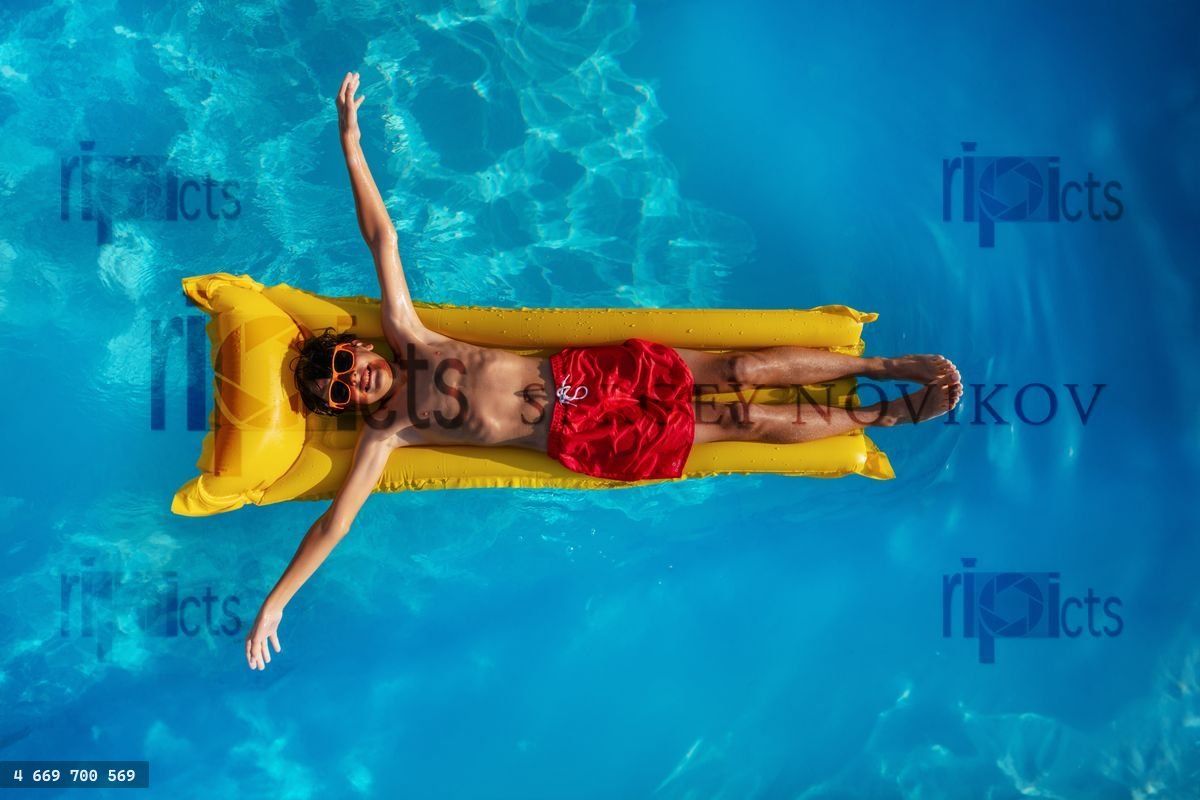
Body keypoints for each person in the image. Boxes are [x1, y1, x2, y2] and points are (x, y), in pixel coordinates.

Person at [245, 72, 962, 670]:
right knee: (740, 418)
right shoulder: (388, 433)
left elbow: (383, 238)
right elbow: (333, 527)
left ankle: (878, 362)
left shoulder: (408, 334)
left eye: (342, 362)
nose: (349, 380)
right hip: (585, 439)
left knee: (740, 367)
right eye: (334, 391)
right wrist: (277, 602)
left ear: (359, 345)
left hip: (587, 374)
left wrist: (350, 146)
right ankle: (878, 414)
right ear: (341, 404)